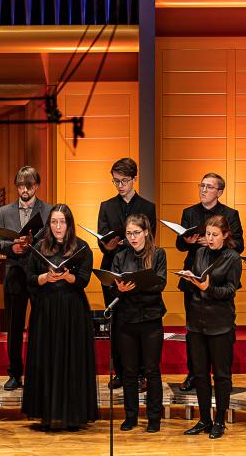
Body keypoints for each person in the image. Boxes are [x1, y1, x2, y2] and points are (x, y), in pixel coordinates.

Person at [22, 204, 98, 431]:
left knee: (71, 358)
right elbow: (30, 278)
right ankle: (46, 412)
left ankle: (73, 413)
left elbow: (84, 279)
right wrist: (46, 277)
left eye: (62, 222)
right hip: (46, 309)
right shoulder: (39, 247)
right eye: (54, 222)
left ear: (69, 224)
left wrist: (68, 276)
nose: (57, 226)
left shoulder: (82, 248)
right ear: (49, 225)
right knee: (46, 357)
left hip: (72, 310)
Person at [175, 172, 244, 392]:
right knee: (193, 329)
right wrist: (188, 241)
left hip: (219, 274)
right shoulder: (189, 212)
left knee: (218, 331)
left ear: (219, 191)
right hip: (195, 274)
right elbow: (181, 245)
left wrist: (212, 241)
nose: (203, 190)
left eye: (209, 187)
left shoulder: (230, 214)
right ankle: (194, 373)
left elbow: (239, 245)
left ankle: (220, 374)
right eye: (201, 185)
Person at [179, 215, 243, 440]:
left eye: (215, 235)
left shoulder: (233, 258)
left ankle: (219, 421)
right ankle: (204, 419)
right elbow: (196, 282)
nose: (210, 238)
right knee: (200, 374)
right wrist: (189, 279)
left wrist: (208, 287)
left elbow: (230, 290)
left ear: (225, 235)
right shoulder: (199, 253)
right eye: (208, 234)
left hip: (220, 324)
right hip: (197, 322)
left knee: (222, 376)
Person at [97, 157, 157, 389]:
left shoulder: (147, 207)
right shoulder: (106, 205)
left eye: (123, 180)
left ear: (134, 179)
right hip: (112, 267)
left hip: (139, 269)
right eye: (115, 181)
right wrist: (108, 245)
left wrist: (130, 242)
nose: (119, 185)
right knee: (117, 324)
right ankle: (121, 372)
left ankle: (141, 373)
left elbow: (150, 240)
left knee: (139, 323)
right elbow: (103, 237)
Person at [0, 166, 52, 392]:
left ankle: (37, 373)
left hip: (39, 274)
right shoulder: (6, 211)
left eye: (29, 185)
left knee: (39, 325)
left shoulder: (47, 210)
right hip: (15, 273)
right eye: (20, 185)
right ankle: (15, 373)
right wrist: (13, 247)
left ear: (36, 185)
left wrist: (33, 244)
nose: (24, 190)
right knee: (14, 327)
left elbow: (53, 241)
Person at [110, 214, 167, 433]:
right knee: (129, 372)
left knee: (152, 370)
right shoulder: (120, 256)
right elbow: (113, 287)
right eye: (129, 233)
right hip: (126, 320)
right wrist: (120, 289)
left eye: (136, 232)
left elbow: (160, 283)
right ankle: (130, 416)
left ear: (145, 232)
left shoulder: (158, 254)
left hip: (151, 319)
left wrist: (133, 287)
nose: (133, 237)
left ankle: (154, 418)